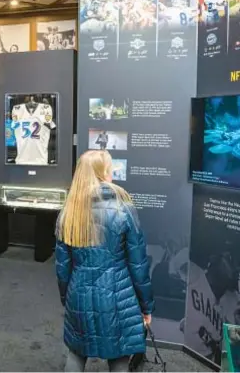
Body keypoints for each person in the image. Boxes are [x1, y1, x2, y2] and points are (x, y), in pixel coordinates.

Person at [55, 150, 154, 372]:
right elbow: (138, 265)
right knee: (118, 355)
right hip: (118, 294)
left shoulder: (68, 212)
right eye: (109, 168)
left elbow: (62, 268)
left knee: (76, 353)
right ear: (104, 172)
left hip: (78, 293)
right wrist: (145, 305)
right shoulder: (124, 208)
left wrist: (67, 297)